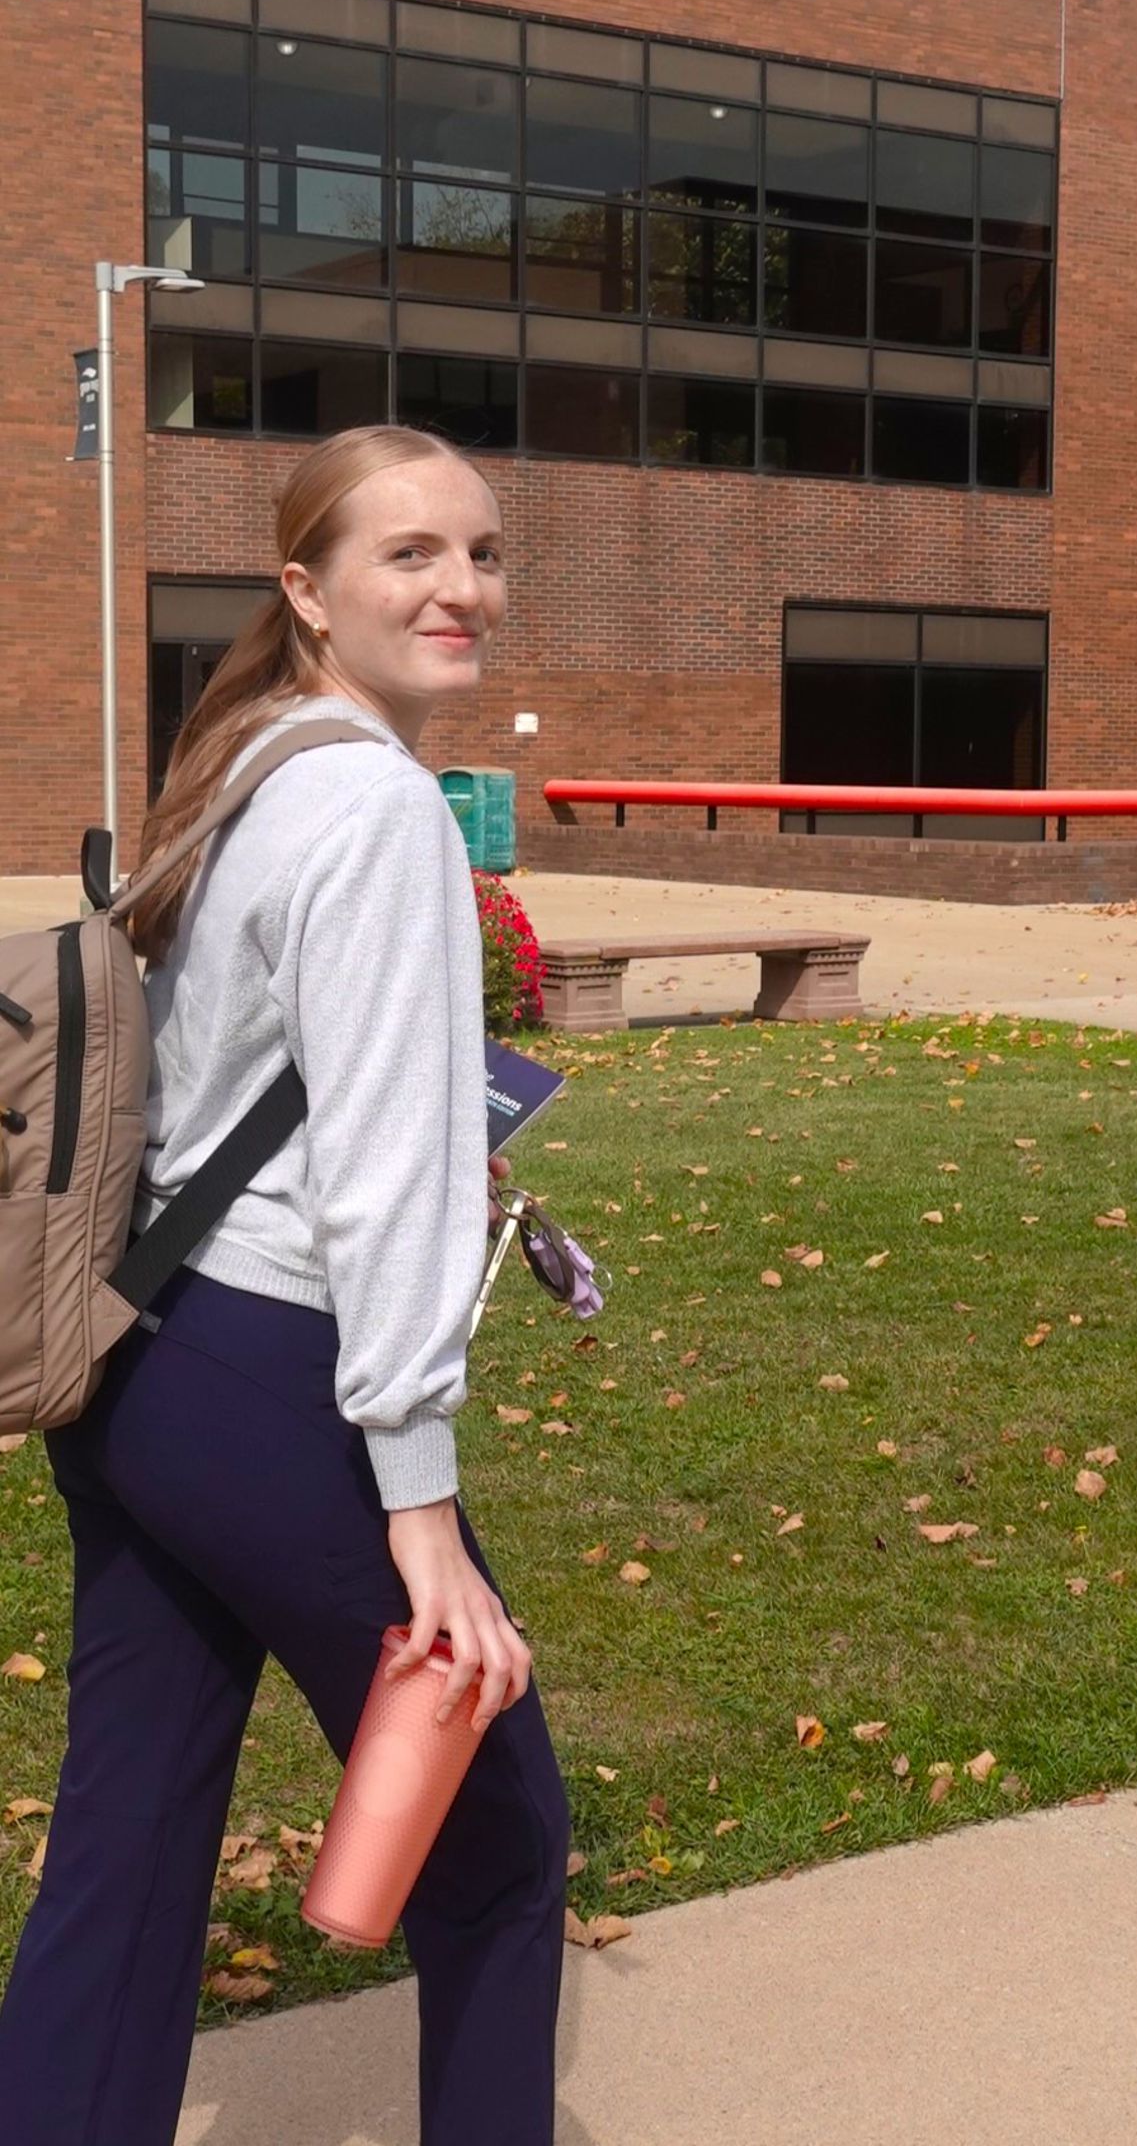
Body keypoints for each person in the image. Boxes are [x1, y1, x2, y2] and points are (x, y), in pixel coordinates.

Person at [0, 425, 573, 2144]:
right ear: (307, 590)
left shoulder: (245, 762)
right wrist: (418, 1500)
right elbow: (387, 1179)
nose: (459, 587)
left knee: (134, 1821)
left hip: (134, 1357)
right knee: (496, 1841)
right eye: (409, 556)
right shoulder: (382, 810)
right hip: (272, 1377)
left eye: (479, 552)